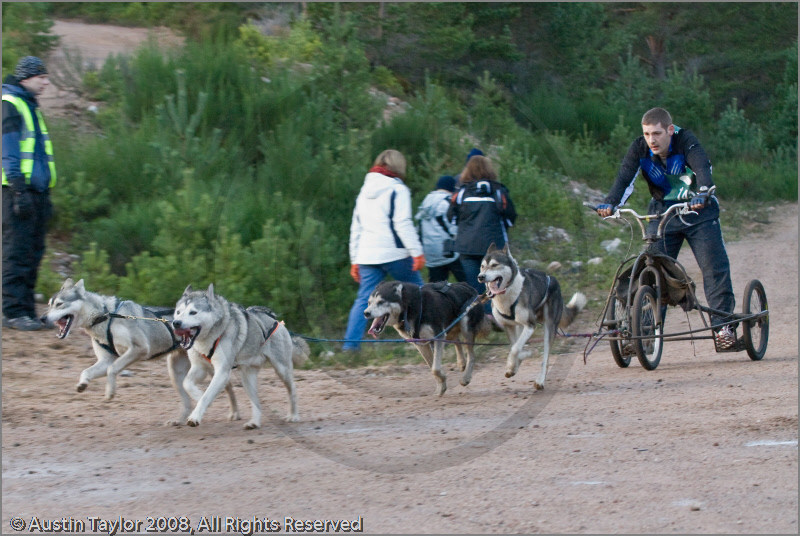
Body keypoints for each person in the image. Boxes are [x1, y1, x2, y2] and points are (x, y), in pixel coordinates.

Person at [596, 107, 736, 347]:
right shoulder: (639, 148)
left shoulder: (686, 141)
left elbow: (703, 169)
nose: (652, 139)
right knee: (650, 271)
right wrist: (610, 203)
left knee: (713, 268)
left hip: (698, 212)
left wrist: (702, 193)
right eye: (647, 134)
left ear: (670, 130)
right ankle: (645, 335)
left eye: (657, 133)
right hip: (663, 214)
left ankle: (723, 329)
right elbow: (624, 179)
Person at [343, 149, 425, 351]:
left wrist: (354, 259)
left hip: (367, 255)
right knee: (420, 293)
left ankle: (349, 347)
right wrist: (417, 251)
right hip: (395, 253)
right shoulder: (398, 189)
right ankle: (427, 337)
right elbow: (402, 222)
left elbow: (356, 227)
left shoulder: (364, 191)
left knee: (364, 299)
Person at [2, 56, 57, 331]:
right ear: (26, 78)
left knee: (33, 252)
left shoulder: (29, 106)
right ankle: (12, 312)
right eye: (41, 77)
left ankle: (25, 311)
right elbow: (8, 149)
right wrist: (18, 190)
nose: (46, 82)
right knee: (17, 252)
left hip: (36, 192)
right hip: (17, 191)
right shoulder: (11, 104)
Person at [447, 154, 517, 314]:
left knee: (475, 286)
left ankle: (484, 317)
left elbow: (451, 217)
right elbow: (511, 215)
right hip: (493, 247)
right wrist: (503, 229)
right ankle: (501, 315)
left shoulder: (461, 192)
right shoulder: (498, 191)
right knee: (499, 283)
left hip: (467, 247)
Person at [414, 175, 466, 283]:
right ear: (451, 188)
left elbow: (418, 228)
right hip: (449, 251)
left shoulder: (425, 202)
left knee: (437, 290)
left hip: (431, 253)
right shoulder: (447, 202)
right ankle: (474, 299)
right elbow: (453, 227)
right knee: (466, 284)